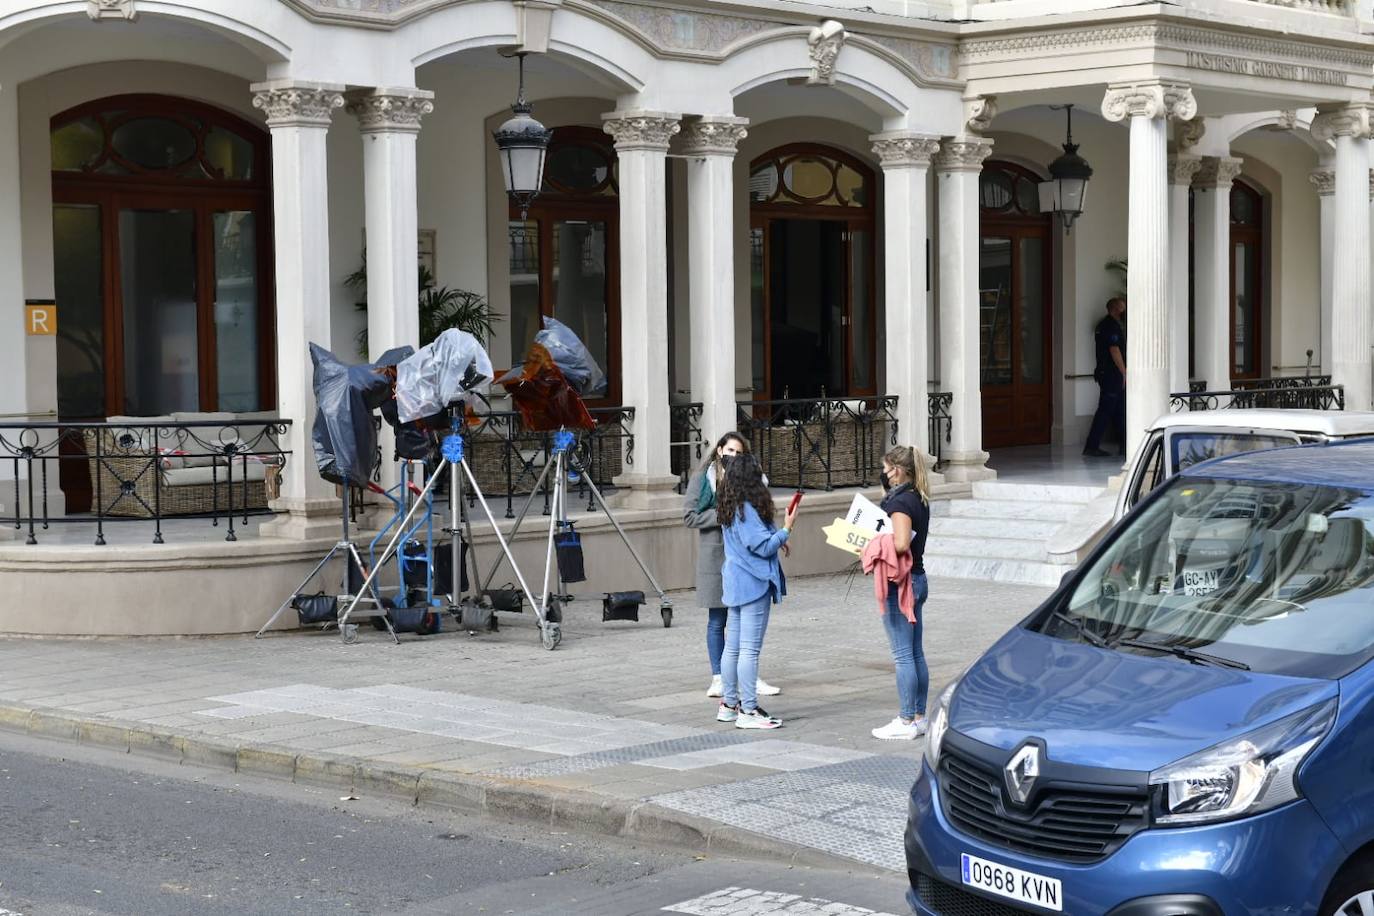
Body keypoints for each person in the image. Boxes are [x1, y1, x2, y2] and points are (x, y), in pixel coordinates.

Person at [682, 433, 781, 699]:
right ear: (719, 451)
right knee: (717, 619)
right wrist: (726, 514)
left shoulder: (750, 477)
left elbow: (759, 512)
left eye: (739, 452)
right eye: (729, 451)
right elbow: (689, 516)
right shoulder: (703, 478)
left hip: (743, 557)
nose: (733, 456)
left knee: (746, 622)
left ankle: (749, 677)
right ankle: (719, 677)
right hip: (715, 555)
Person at [716, 453, 797, 730]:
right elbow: (761, 547)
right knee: (749, 650)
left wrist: (777, 536)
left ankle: (729, 704)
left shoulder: (730, 504)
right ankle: (748, 709)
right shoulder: (746, 509)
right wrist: (786, 529)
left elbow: (756, 540)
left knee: (733, 647)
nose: (764, 477)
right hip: (752, 583)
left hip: (736, 581)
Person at [868, 445, 932, 741]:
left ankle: (906, 720)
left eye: (885, 468)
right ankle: (919, 717)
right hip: (917, 578)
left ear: (896, 470)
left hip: (901, 583)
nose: (883, 473)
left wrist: (873, 545)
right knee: (915, 652)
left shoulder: (900, 503)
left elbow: (901, 543)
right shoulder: (918, 496)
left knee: (903, 654)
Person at [1084, 297, 1127, 457]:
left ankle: (1125, 445)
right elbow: (1114, 350)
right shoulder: (1110, 326)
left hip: (1109, 373)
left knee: (1119, 410)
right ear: (1115, 309)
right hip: (1112, 374)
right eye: (1122, 308)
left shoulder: (1105, 325)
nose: (1124, 311)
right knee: (1106, 410)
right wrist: (1124, 372)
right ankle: (1092, 446)